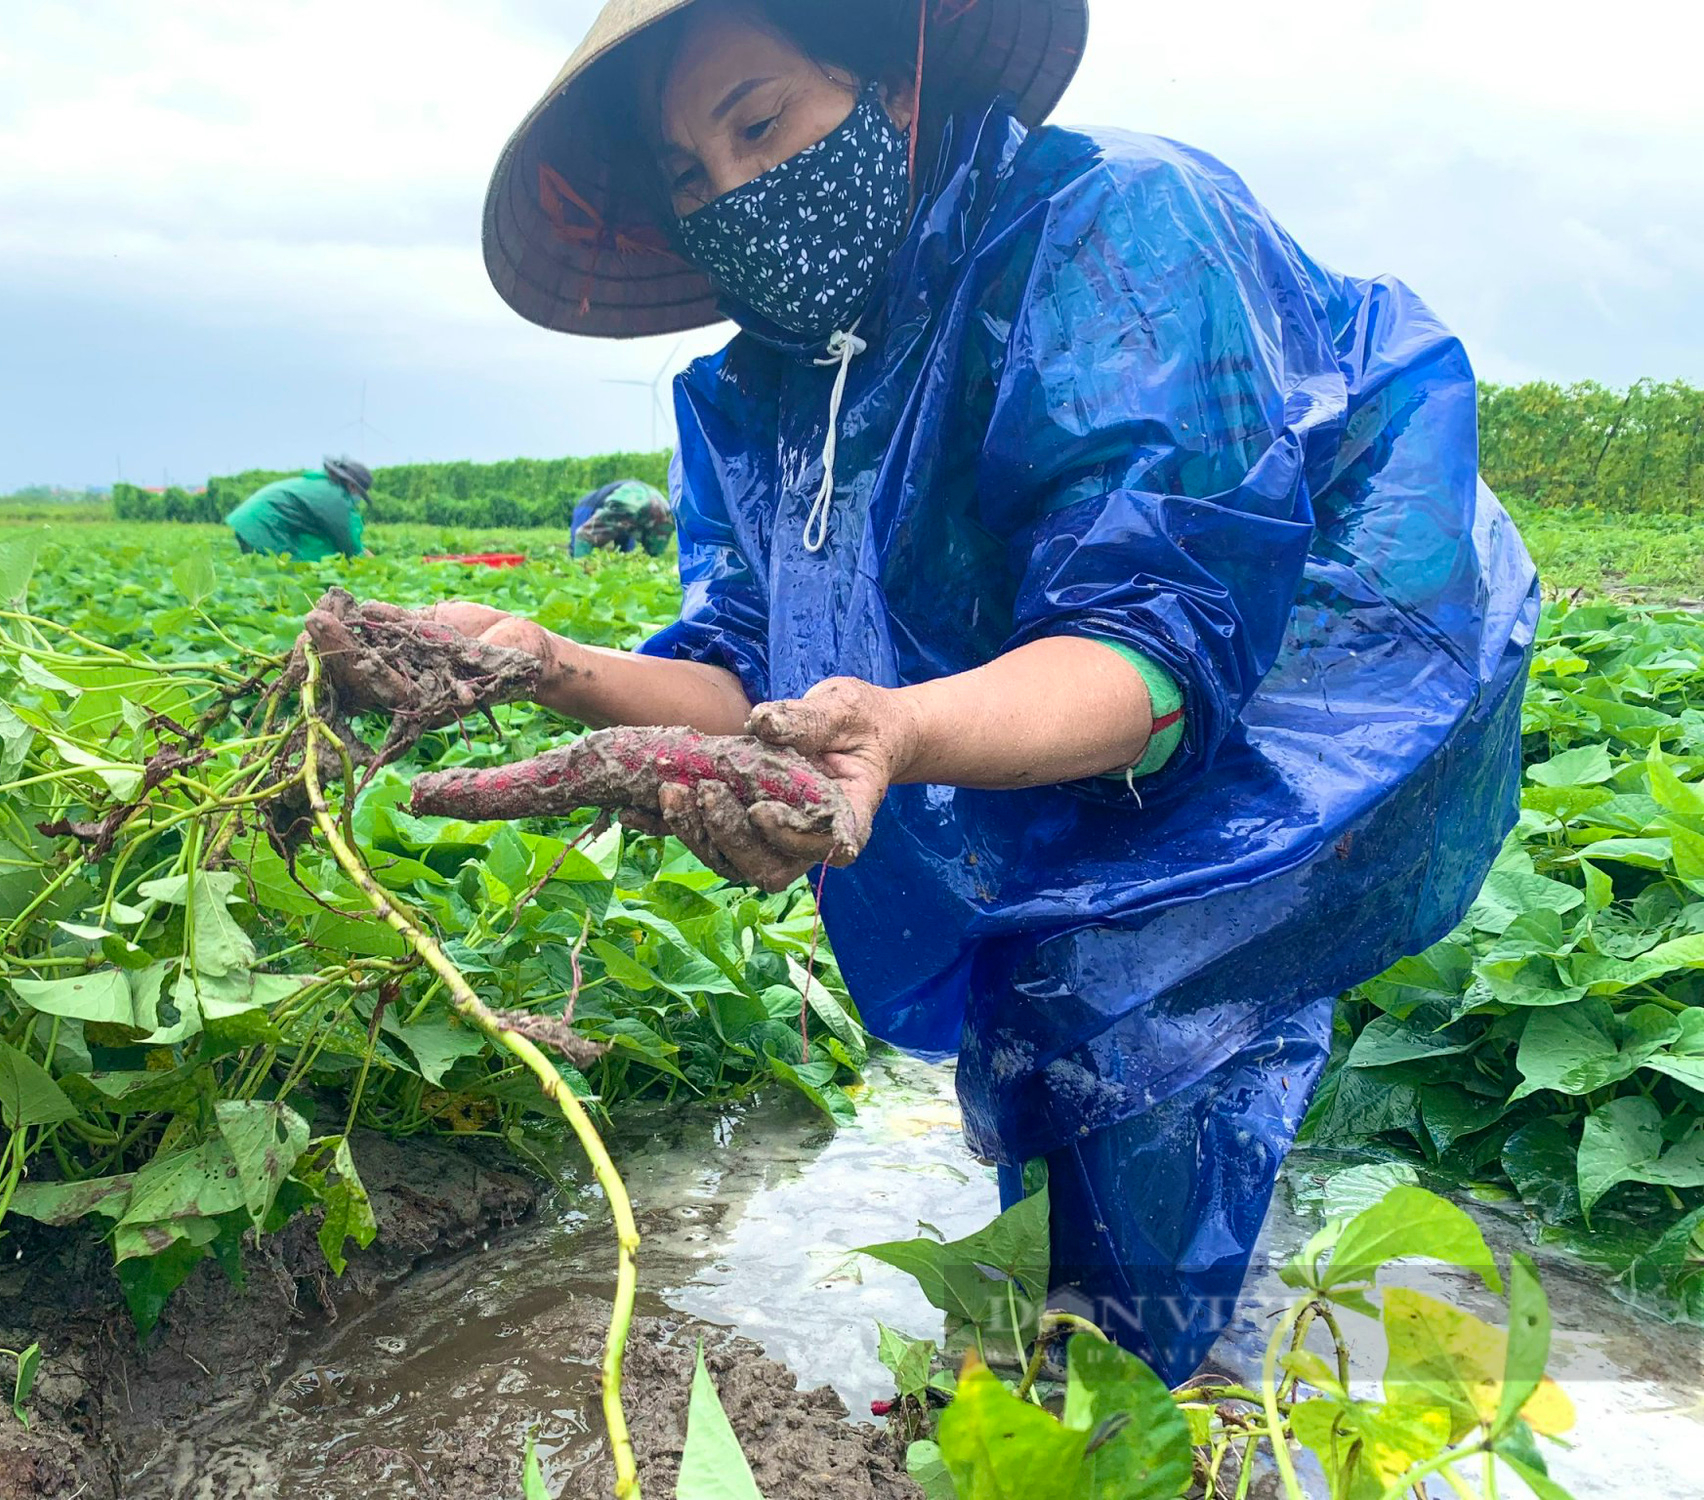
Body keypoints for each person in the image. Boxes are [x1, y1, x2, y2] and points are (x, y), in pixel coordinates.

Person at [437, 0, 1538, 1381]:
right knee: (1047, 987)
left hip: (1336, 652)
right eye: (687, 174)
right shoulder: (756, 392)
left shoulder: (1115, 230)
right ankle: (1083, 1346)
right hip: (1056, 679)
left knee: (1114, 971)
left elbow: (1153, 639)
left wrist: (904, 725)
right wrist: (534, 663)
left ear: (888, 88)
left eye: (759, 123)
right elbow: (744, 677)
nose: (731, 191)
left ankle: (1159, 1395)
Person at [225, 458, 373, 563]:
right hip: (263, 525)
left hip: (249, 522)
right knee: (284, 573)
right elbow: (345, 540)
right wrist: (364, 558)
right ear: (353, 487)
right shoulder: (334, 497)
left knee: (260, 572)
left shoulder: (323, 486)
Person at [570, 478, 676, 558]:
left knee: (626, 553)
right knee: (579, 545)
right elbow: (584, 536)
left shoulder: (667, 520)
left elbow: (654, 553)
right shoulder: (628, 506)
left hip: (636, 506)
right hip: (590, 506)